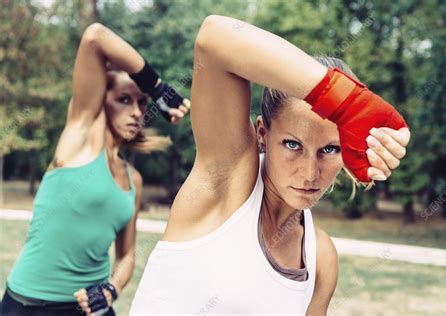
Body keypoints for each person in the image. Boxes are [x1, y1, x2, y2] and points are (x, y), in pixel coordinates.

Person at [129, 15, 410, 315]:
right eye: (293, 145)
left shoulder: (320, 258)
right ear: (263, 133)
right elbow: (214, 38)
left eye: (330, 149)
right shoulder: (228, 184)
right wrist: (346, 101)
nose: (310, 172)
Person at [1, 22, 189, 316]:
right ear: (101, 101)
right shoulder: (79, 138)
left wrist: (110, 290)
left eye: (142, 103)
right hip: (29, 306)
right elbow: (95, 37)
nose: (137, 111)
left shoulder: (133, 180)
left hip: (91, 310)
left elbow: (126, 256)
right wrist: (155, 87)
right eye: (124, 100)